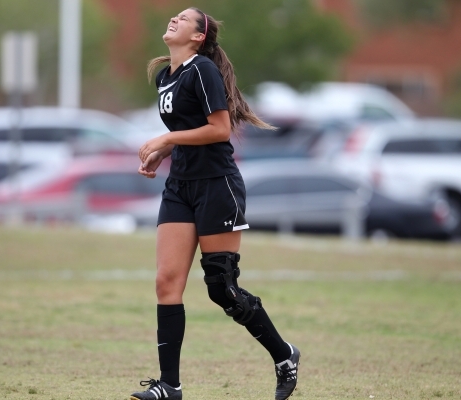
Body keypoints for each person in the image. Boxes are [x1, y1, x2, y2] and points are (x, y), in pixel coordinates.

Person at [130, 7, 300, 400]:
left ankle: (284, 354)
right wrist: (163, 153)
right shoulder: (165, 76)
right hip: (180, 186)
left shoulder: (202, 69)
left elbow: (219, 129)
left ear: (198, 37)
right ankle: (169, 386)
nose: (173, 18)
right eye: (173, 14)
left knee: (221, 287)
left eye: (184, 18)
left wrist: (166, 141)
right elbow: (187, 129)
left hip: (216, 186)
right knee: (166, 282)